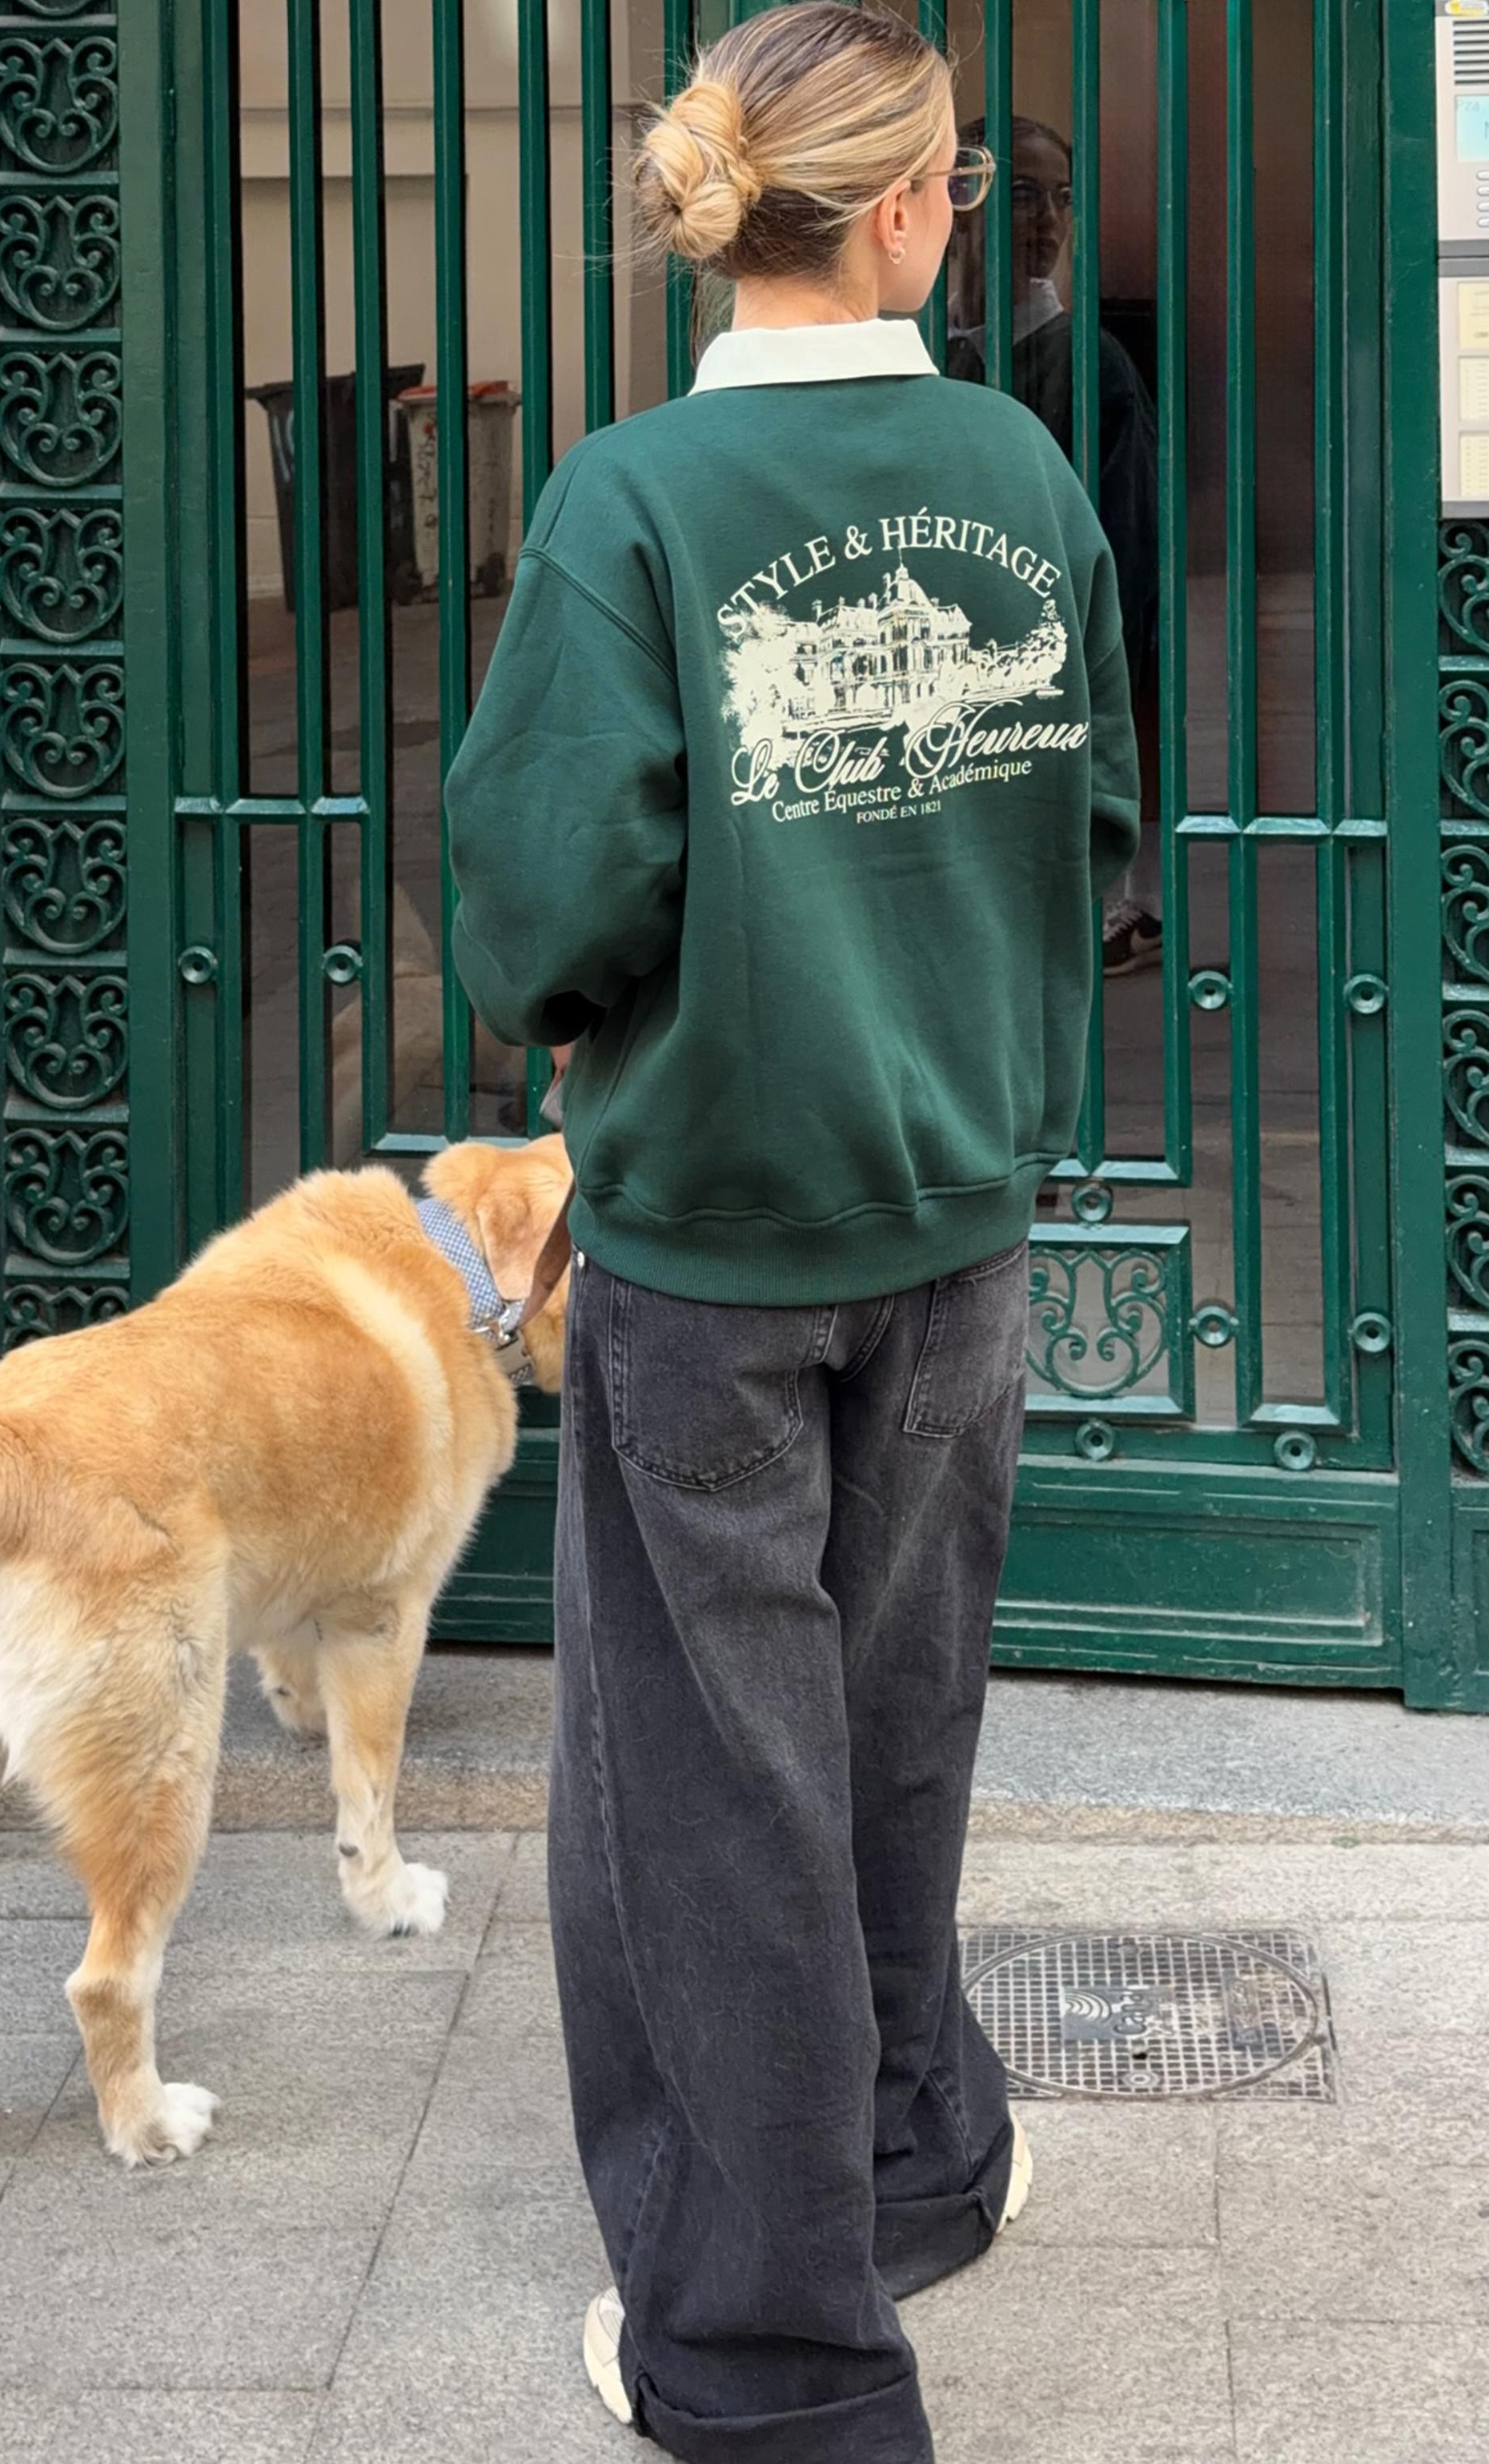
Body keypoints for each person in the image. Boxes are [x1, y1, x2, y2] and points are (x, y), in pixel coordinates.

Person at [447, 7, 1138, 2458]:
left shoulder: (627, 500)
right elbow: (1099, 831)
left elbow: (546, 901)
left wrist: (603, 1028)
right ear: (911, 206)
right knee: (896, 1717)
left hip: (716, 1247)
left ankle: (767, 2360)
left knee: (706, 1784)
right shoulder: (1019, 467)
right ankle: (910, 2160)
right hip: (958, 1220)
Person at [947, 112, 1163, 975]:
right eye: (1022, 196)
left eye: (1063, 198)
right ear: (959, 203)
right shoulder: (931, 358)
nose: (1047, 220)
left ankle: (1111, 914)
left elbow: (1127, 547)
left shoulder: (1090, 361)